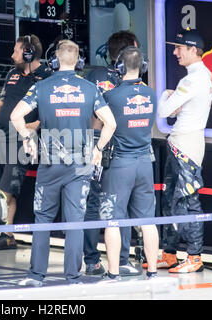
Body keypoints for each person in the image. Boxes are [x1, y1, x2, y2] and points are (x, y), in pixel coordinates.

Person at [11, 40, 116, 286]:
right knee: (75, 222)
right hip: (80, 164)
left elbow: (15, 115)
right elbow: (111, 123)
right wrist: (98, 148)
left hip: (50, 164)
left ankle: (36, 276)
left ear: (55, 61)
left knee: (43, 220)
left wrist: (28, 138)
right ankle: (73, 277)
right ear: (79, 62)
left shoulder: (42, 86)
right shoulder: (90, 88)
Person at [147, 29, 212, 273]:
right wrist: (173, 100)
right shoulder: (201, 75)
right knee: (170, 199)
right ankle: (170, 254)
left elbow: (164, 111)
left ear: (193, 50)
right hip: (181, 142)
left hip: (186, 144)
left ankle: (195, 256)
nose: (175, 52)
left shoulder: (192, 79)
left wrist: (166, 95)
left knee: (187, 199)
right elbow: (173, 110)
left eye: (179, 48)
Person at [0, 34, 50, 250]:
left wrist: (32, 126)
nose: (12, 55)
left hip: (21, 142)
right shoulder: (12, 73)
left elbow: (48, 114)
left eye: (16, 51)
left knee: (7, 191)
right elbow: (0, 103)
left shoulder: (46, 77)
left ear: (29, 53)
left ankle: (6, 235)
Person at [83, 30, 143, 276]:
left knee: (91, 203)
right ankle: (122, 261)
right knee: (120, 203)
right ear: (131, 52)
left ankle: (91, 262)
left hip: (92, 142)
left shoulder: (92, 75)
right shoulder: (131, 80)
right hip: (121, 145)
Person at [99, 46, 159, 281]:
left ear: (120, 67)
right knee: (148, 221)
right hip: (145, 163)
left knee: (113, 220)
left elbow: (100, 123)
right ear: (142, 67)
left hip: (120, 164)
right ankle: (152, 271)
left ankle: (113, 273)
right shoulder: (152, 94)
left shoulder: (111, 96)